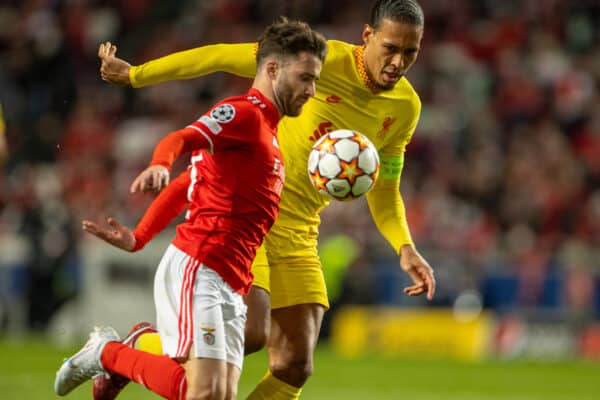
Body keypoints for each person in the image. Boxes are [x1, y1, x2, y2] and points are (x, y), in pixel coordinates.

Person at [98, 1, 436, 399]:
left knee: (295, 364)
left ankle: (144, 346)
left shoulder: (406, 107)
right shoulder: (317, 61)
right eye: (391, 48)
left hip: (302, 232)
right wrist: (137, 75)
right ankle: (140, 344)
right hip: (252, 219)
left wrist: (405, 246)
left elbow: (384, 187)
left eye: (410, 52)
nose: (398, 62)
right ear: (367, 36)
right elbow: (220, 55)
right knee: (250, 334)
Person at [54, 17, 327, 400]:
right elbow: (182, 137)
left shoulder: (270, 135)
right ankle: (108, 353)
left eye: (315, 80)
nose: (312, 90)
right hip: (202, 267)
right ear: (272, 68)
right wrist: (160, 163)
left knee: (205, 393)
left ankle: (118, 350)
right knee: (206, 393)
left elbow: (193, 181)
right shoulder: (244, 114)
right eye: (305, 77)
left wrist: (140, 237)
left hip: (233, 281)